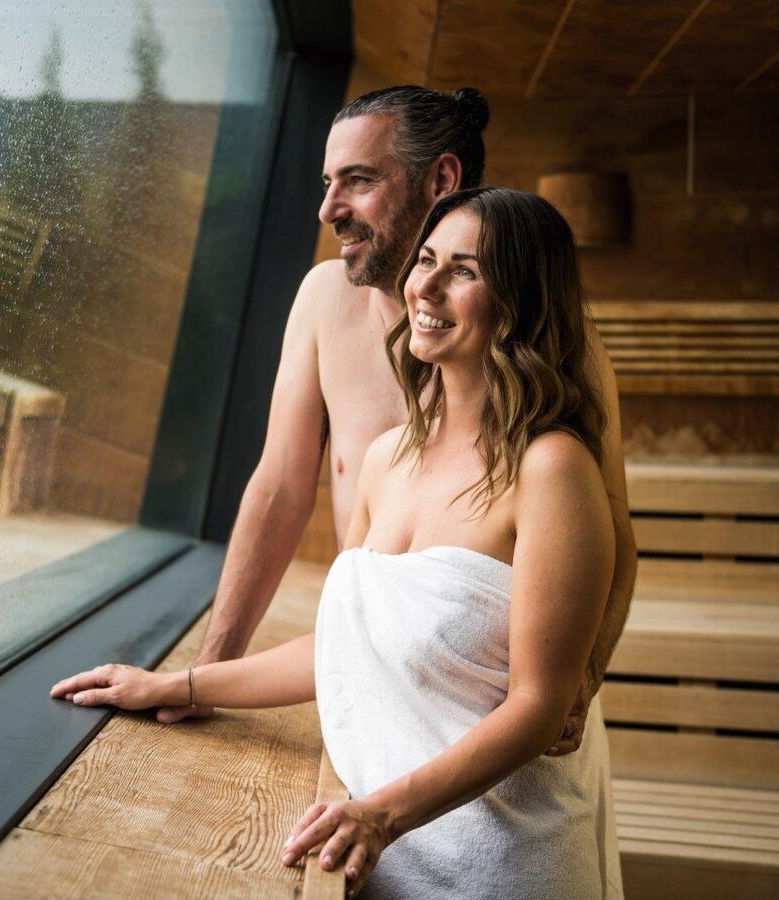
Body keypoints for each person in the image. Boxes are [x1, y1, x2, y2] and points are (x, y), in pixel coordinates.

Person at [51, 187, 623, 898]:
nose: (427, 288)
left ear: (522, 302)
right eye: (426, 261)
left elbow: (540, 707)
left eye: (465, 271)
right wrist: (178, 685)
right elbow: (342, 649)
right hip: (374, 849)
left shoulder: (552, 470)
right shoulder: (388, 457)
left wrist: (383, 814)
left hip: (496, 862)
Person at [158, 86, 636, 756]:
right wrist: (207, 674)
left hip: (497, 716)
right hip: (373, 691)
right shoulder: (324, 299)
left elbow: (611, 531)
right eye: (327, 183)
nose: (329, 209)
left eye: (358, 181)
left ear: (441, 179)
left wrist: (577, 686)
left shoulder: (556, 342)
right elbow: (280, 490)